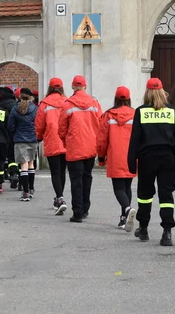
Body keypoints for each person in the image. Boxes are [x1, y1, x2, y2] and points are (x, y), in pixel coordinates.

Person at [127, 77, 175, 246]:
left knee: (145, 196)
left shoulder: (141, 111)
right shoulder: (171, 111)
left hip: (147, 158)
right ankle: (167, 232)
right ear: (162, 92)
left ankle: (143, 228)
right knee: (166, 196)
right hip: (167, 158)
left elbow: (135, 139)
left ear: (147, 92)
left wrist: (130, 161)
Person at [58, 75, 102, 223]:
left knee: (76, 180)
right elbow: (101, 124)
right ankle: (85, 208)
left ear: (72, 87)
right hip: (90, 146)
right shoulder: (94, 103)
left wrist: (66, 142)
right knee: (87, 177)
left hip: (75, 147)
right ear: (85, 86)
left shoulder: (68, 104)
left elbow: (61, 129)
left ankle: (77, 212)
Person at [97, 86, 137, 231]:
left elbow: (101, 139)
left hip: (115, 155)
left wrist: (101, 157)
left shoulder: (108, 115)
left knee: (118, 188)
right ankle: (123, 218)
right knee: (127, 186)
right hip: (131, 155)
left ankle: (127, 210)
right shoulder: (135, 114)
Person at [35, 77, 68, 215]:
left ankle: (59, 198)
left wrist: (39, 136)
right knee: (62, 171)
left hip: (52, 140)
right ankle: (60, 196)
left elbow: (39, 123)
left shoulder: (45, 103)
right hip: (66, 140)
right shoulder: (67, 102)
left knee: (55, 172)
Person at [8, 87, 38, 202]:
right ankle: (31, 188)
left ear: (19, 96)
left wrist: (14, 133)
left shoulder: (15, 109)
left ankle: (25, 192)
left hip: (20, 139)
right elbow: (38, 123)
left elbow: (10, 126)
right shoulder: (35, 108)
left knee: (23, 165)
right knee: (31, 164)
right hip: (33, 138)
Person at [0, 85, 18, 187]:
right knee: (12, 156)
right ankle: (14, 173)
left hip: (1, 135)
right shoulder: (15, 105)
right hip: (13, 134)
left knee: (1, 157)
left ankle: (2, 175)